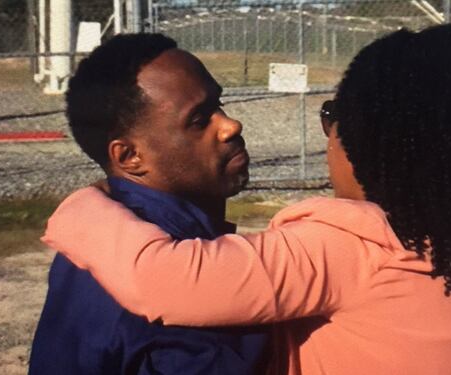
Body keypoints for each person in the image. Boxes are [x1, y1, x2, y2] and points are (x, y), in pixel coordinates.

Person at [41, 25, 451, 374]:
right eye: (201, 116)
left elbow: (163, 278)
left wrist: (81, 205)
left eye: (334, 119)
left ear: (375, 145)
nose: (232, 123)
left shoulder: (347, 247)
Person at [29, 33, 270, 374]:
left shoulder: (93, 243)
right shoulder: (185, 291)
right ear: (129, 156)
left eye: (219, 104)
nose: (231, 125)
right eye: (199, 120)